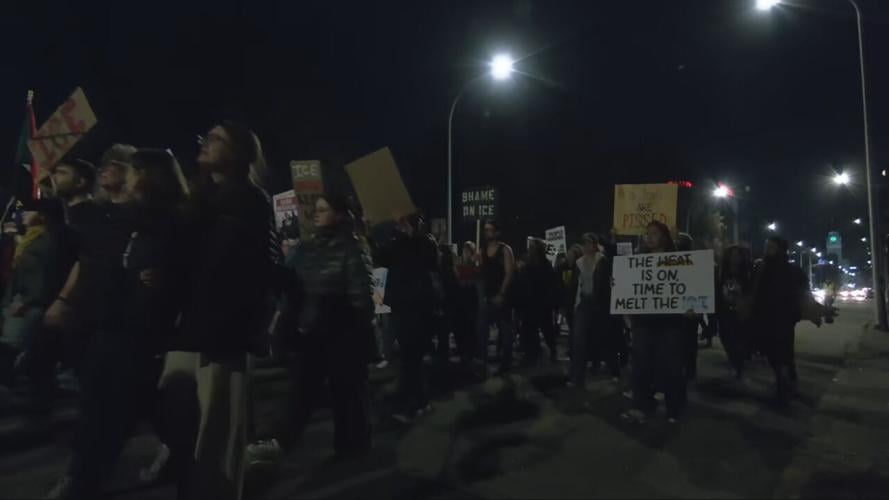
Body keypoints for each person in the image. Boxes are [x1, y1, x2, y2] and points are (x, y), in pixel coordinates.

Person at [51, 149, 189, 499]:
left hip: (140, 328)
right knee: (125, 401)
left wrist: (162, 279)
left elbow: (182, 269)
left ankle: (81, 479)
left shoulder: (168, 220)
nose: (121, 174)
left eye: (130, 169)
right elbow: (90, 260)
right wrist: (66, 300)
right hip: (107, 321)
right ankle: (182, 452)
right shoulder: (113, 217)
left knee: (108, 409)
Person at [162, 121, 271, 500]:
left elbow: (248, 272)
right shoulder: (198, 198)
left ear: (240, 153)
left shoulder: (250, 201)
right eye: (205, 137)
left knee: (216, 433)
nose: (205, 144)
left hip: (221, 333)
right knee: (179, 420)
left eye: (216, 139)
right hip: (187, 327)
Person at [376, 213, 439, 422]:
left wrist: (412, 235)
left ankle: (413, 403)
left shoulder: (423, 243)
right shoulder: (393, 245)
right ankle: (417, 401)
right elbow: (379, 261)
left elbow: (431, 261)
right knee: (410, 358)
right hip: (402, 307)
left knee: (412, 357)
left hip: (418, 307)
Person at [621, 221, 686, 424]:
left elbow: (689, 287)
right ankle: (640, 405)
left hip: (670, 323)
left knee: (671, 366)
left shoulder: (678, 261)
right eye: (647, 233)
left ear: (664, 237)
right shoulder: (637, 261)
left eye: (654, 233)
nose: (649, 237)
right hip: (643, 321)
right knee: (641, 365)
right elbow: (628, 288)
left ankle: (674, 408)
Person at [751, 236, 825, 404]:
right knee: (769, 351)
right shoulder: (761, 269)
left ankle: (785, 382)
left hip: (785, 318)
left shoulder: (793, 271)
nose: (767, 250)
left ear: (780, 249)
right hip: (764, 317)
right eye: (767, 247)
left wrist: (813, 312)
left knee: (784, 352)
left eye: (771, 247)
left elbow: (805, 294)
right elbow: (754, 291)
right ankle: (784, 378)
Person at [0, 199, 66, 388]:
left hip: (26, 303)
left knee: (9, 347)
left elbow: (41, 275)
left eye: (29, 212)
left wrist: (27, 301)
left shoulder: (42, 241)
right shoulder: (32, 239)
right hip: (20, 300)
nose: (24, 216)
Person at [568, 233, 611, 386]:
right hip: (583, 303)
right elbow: (575, 286)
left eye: (589, 243)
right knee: (578, 341)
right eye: (584, 243)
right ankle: (576, 376)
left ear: (595, 245)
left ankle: (599, 366)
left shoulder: (602, 261)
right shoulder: (579, 263)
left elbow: (604, 286)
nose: (586, 246)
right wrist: (572, 305)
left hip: (598, 305)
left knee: (597, 338)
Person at [479, 221, 516, 375]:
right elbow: (482, 273)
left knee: (505, 330)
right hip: (487, 296)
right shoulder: (483, 250)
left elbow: (509, 273)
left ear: (496, 232)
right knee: (482, 329)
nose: (487, 232)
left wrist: (501, 293)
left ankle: (506, 363)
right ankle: (482, 362)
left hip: (502, 296)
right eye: (485, 230)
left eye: (490, 230)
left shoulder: (505, 250)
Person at [515, 238, 559, 365]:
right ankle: (531, 353)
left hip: (542, 303)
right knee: (528, 329)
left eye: (532, 247)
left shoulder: (546, 265)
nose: (530, 249)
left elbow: (551, 284)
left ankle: (552, 350)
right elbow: (523, 280)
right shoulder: (528, 264)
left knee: (547, 329)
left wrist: (549, 300)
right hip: (529, 302)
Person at [716, 245, 754, 380]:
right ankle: (735, 361)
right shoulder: (721, 273)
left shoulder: (748, 273)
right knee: (726, 338)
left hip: (741, 313)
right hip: (724, 312)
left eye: (737, 255)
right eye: (732, 255)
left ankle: (739, 364)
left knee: (740, 340)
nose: (734, 258)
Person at [454, 242, 481, 364]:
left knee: (470, 325)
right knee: (462, 324)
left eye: (468, 251)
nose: (466, 253)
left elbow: (477, 277)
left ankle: (471, 351)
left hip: (470, 297)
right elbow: (457, 276)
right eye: (465, 251)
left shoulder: (475, 265)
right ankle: (463, 350)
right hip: (461, 296)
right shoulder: (458, 263)